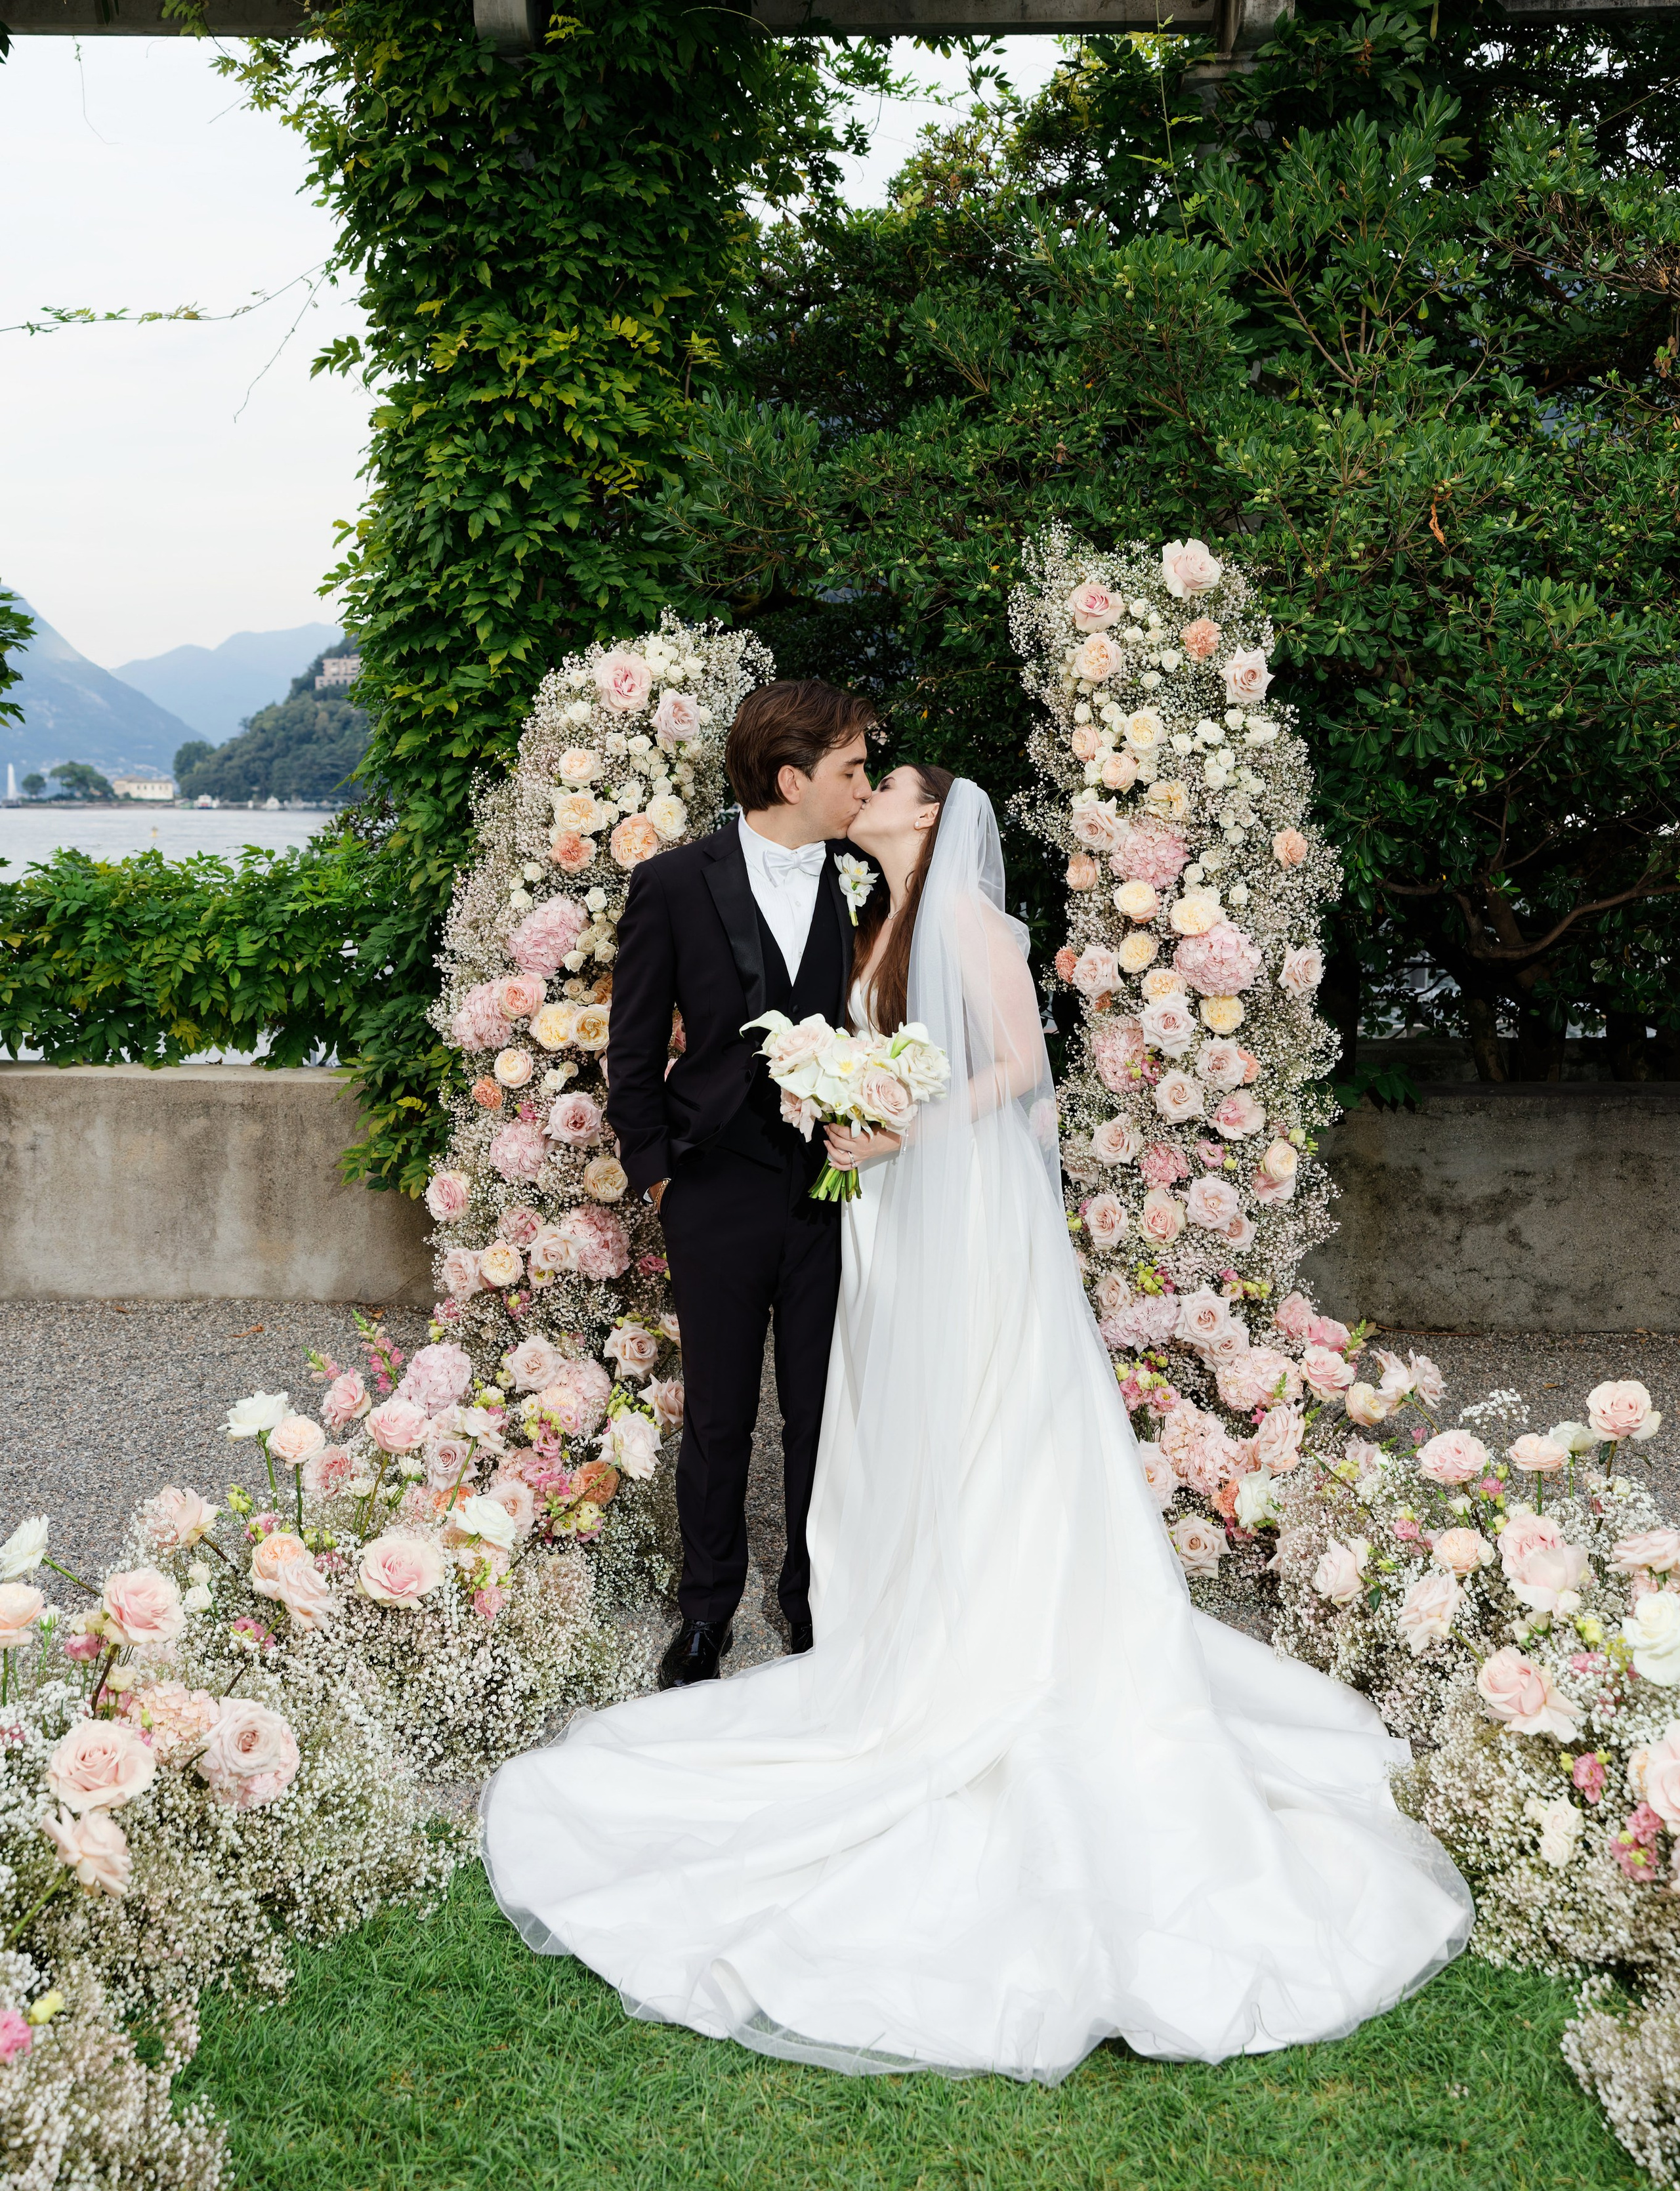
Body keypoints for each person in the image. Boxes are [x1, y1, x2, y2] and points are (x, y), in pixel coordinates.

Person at [484, 768, 1473, 2081]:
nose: (876, 785)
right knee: (900, 1442)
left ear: (935, 823)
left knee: (990, 1435)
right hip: (886, 1225)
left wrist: (899, 1123)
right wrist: (836, 1110)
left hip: (953, 1222)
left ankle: (992, 1645)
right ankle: (900, 1623)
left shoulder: (967, 927)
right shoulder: (870, 917)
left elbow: (1015, 1067)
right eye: (868, 772)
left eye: (891, 782)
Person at [603, 676, 875, 1690]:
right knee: (719, 1414)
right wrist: (661, 1178)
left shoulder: (868, 879)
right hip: (713, 1186)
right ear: (791, 775)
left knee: (822, 1409)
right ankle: (706, 1613)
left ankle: (814, 1601)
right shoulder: (675, 883)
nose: (864, 784)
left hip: (835, 1193)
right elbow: (631, 1052)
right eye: (850, 767)